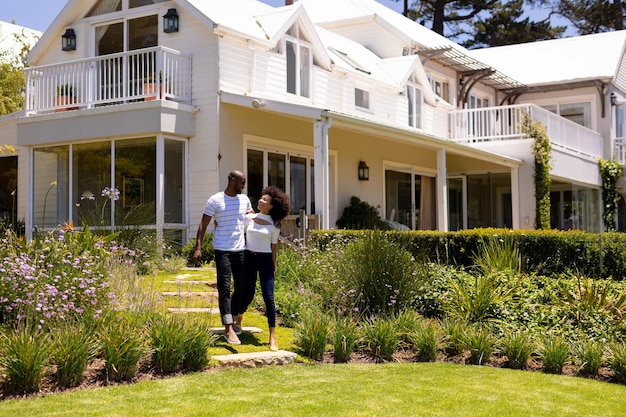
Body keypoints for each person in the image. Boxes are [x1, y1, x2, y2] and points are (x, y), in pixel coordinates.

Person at [193, 170, 253, 345]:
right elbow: (203, 225)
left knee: (243, 287)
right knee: (225, 288)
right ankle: (228, 327)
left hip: (241, 249)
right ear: (232, 180)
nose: (244, 185)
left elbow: (253, 220)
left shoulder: (245, 200)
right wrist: (198, 247)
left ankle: (233, 315)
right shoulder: (215, 200)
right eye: (242, 181)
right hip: (222, 250)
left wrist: (272, 221)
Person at [232, 185, 290, 351]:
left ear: (271, 205)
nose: (260, 200)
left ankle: (272, 336)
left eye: (265, 199)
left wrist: (274, 266)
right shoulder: (249, 218)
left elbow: (274, 248)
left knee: (268, 297)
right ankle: (239, 318)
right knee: (247, 293)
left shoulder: (274, 225)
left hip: (265, 261)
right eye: (261, 198)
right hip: (249, 258)